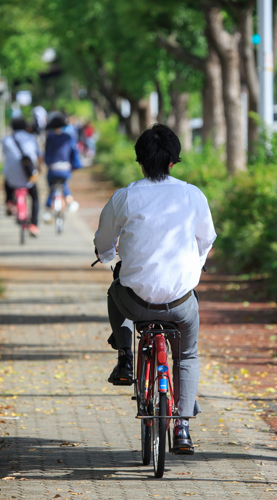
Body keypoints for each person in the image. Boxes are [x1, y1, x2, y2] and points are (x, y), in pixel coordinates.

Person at [93, 124, 217, 455]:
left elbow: (104, 242)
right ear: (173, 162)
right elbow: (207, 239)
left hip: (134, 303)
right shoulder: (193, 195)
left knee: (114, 290)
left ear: (140, 161)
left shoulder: (125, 197)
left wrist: (107, 257)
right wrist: (197, 264)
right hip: (179, 304)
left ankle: (125, 358)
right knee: (187, 354)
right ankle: (184, 426)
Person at [2, 116, 42, 236]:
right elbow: (39, 155)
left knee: (7, 182)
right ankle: (34, 225)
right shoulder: (32, 138)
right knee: (35, 197)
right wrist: (38, 169)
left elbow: (5, 154)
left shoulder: (6, 140)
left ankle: (9, 201)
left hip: (12, 177)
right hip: (28, 176)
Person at [44, 115, 81, 218]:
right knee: (64, 184)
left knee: (51, 188)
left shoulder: (49, 137)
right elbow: (74, 153)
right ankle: (69, 200)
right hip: (65, 169)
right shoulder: (68, 137)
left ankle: (47, 209)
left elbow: (46, 154)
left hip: (53, 169)